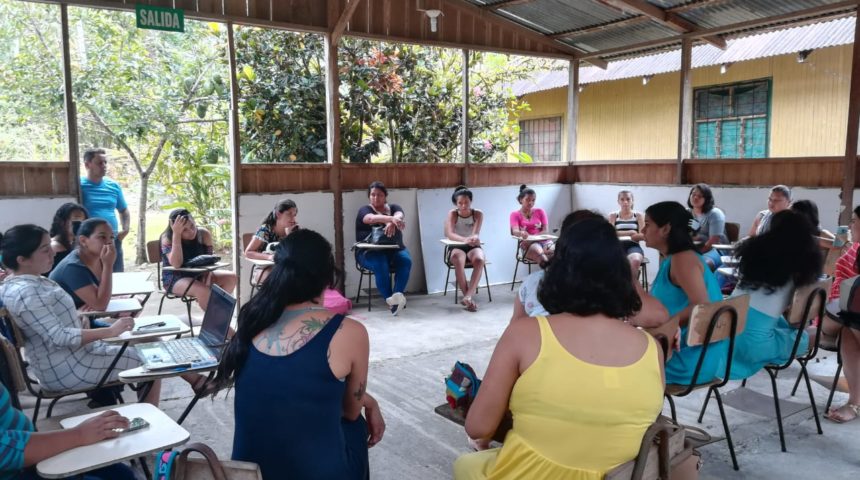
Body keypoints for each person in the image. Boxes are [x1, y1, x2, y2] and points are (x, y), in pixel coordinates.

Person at [455, 217, 664, 480]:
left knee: (466, 464)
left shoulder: (524, 333)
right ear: (624, 276)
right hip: (621, 474)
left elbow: (478, 428)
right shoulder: (651, 348)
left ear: (556, 271)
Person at [212, 230, 385, 479]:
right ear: (327, 276)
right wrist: (369, 403)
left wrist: (369, 400)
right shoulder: (349, 332)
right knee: (355, 424)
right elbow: (350, 410)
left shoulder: (254, 319)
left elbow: (291, 384)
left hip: (249, 473)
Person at [0, 225, 157, 403]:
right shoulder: (28, 292)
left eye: (49, 245)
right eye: (45, 250)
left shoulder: (27, 283)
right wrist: (111, 331)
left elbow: (46, 319)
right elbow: (59, 337)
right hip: (68, 369)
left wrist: (76, 316)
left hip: (72, 358)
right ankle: (150, 414)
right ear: (22, 260)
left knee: (150, 350)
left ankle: (148, 407)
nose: (52, 252)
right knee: (154, 360)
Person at [513, 210, 668, 329]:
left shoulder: (534, 283)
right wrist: (627, 275)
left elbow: (516, 328)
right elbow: (657, 317)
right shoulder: (612, 284)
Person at [729, 210, 822, 379]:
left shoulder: (753, 252)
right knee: (815, 333)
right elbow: (797, 322)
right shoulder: (800, 266)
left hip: (724, 338)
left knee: (777, 325)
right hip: (754, 348)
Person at [643, 201, 725, 385]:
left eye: (647, 224)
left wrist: (664, 326)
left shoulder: (683, 260)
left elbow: (702, 305)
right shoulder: (675, 258)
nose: (642, 230)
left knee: (617, 358)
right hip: (688, 355)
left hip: (687, 361)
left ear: (665, 229)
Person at [0, 383, 136, 480]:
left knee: (120, 473)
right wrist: (79, 434)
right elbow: (5, 452)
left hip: (27, 455)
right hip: (16, 469)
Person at [245, 199, 352, 314]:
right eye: (289, 214)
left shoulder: (292, 229)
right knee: (285, 280)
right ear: (278, 214)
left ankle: (302, 309)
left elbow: (297, 253)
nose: (293, 218)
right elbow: (248, 252)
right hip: (265, 269)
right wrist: (270, 257)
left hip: (286, 267)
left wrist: (291, 236)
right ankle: (278, 311)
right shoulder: (266, 229)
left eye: (294, 215)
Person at [823, 205, 860, 422]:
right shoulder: (856, 250)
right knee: (847, 331)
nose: (851, 226)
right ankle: (854, 403)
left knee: (842, 328)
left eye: (854, 221)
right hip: (852, 314)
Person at [160, 209, 237, 312]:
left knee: (231, 277)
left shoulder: (203, 234)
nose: (191, 231)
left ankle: (216, 312)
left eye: (192, 226)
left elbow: (209, 261)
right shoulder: (167, 238)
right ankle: (216, 316)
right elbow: (176, 264)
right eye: (184, 230)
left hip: (200, 274)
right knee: (202, 289)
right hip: (176, 278)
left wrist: (208, 277)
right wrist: (176, 235)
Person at [355, 181, 412, 316]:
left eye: (379, 195)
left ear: (385, 196)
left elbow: (399, 215)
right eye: (373, 195)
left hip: (394, 250)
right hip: (368, 252)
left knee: (405, 260)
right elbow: (370, 219)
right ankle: (391, 302)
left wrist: (393, 220)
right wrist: (390, 220)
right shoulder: (364, 210)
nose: (376, 198)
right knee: (380, 263)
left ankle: (397, 296)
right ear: (369, 196)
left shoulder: (394, 207)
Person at [80, 148, 130, 272]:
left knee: (117, 275)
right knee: (94, 276)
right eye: (99, 163)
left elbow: (123, 210)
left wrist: (125, 229)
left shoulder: (113, 186)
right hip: (91, 241)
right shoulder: (79, 186)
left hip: (113, 239)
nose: (104, 166)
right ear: (87, 165)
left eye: (105, 162)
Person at [49, 219, 115, 311]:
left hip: (86, 315)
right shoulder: (72, 267)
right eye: (102, 237)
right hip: (65, 319)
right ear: (83, 241)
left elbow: (102, 297)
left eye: (112, 237)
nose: (109, 242)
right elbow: (100, 305)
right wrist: (108, 265)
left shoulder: (101, 258)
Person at [445, 186, 486, 312]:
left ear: (471, 201)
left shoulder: (478, 213)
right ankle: (466, 297)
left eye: (466, 202)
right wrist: (464, 239)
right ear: (456, 203)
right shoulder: (453, 213)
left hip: (472, 245)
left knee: (480, 259)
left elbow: (476, 233)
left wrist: (474, 238)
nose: (463, 206)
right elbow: (450, 234)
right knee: (458, 259)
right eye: (460, 203)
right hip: (456, 245)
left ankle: (468, 296)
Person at [509, 184, 554, 265]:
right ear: (521, 200)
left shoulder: (540, 211)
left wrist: (532, 239)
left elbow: (546, 231)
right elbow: (515, 231)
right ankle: (547, 268)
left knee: (557, 254)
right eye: (527, 200)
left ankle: (550, 269)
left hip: (544, 242)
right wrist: (521, 233)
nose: (531, 203)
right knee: (542, 257)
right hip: (529, 245)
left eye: (533, 200)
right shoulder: (515, 214)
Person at [687, 183, 728, 269]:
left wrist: (696, 254)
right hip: (695, 248)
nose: (695, 197)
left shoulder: (715, 213)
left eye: (700, 196)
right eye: (693, 194)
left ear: (707, 199)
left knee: (700, 264)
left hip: (716, 250)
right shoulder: (687, 213)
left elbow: (713, 241)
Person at [608, 190, 645, 275]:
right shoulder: (613, 215)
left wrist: (618, 233)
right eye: (622, 199)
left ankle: (632, 281)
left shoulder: (638, 215)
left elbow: (643, 235)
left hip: (633, 245)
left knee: (635, 260)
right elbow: (610, 234)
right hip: (617, 246)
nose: (625, 202)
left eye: (628, 199)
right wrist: (630, 232)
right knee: (611, 262)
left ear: (632, 201)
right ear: (618, 201)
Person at [48, 202, 89, 272]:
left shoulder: (75, 244)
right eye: (76, 222)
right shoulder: (54, 246)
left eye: (84, 222)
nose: (81, 225)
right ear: (62, 222)